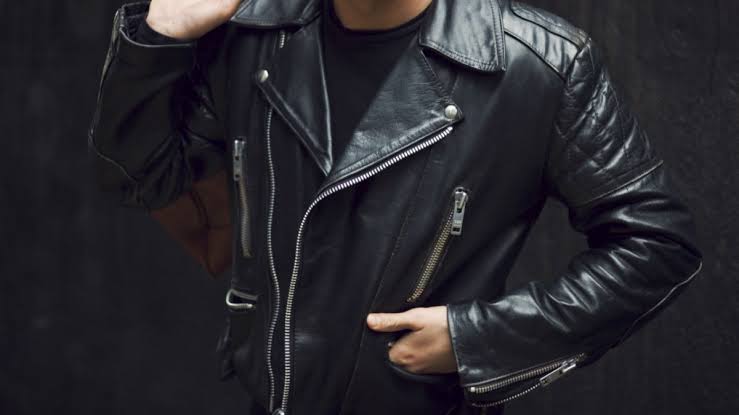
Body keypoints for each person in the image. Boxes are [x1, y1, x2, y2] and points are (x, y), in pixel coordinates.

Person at [88, 0, 703, 414]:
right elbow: (141, 178)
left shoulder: (539, 63)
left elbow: (657, 244)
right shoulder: (252, 35)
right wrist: (157, 39)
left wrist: (475, 339)